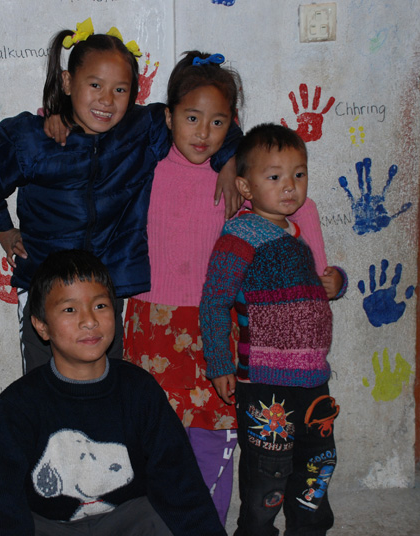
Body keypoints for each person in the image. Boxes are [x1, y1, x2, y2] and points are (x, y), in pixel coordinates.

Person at [0, 19, 240, 374]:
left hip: (109, 287)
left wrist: (229, 160)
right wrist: (1, 228)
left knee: (108, 386)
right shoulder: (34, 139)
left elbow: (204, 116)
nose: (106, 101)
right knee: (44, 385)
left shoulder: (142, 130)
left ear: (134, 94)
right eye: (95, 85)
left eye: (120, 90)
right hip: (46, 287)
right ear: (67, 82)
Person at [0, 249, 226, 536]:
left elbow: (180, 484)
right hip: (50, 526)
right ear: (42, 326)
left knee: (157, 515)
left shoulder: (139, 390)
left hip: (127, 522)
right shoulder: (19, 404)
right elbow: (0, 503)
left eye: (101, 306)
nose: (89, 321)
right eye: (70, 309)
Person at [200, 124, 344, 536]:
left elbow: (314, 289)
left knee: (317, 461)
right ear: (245, 186)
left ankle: (309, 527)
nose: (290, 187)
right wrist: (219, 363)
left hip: (314, 380)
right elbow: (214, 301)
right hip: (265, 385)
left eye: (299, 175)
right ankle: (256, 531)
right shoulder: (240, 235)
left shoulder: (296, 234)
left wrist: (336, 283)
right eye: (275, 176)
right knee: (269, 470)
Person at [122, 50, 244, 526]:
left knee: (213, 437)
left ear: (230, 125)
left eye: (217, 123)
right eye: (192, 118)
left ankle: (207, 524)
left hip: (214, 328)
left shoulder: (236, 179)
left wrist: (232, 161)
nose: (203, 133)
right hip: (150, 322)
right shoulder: (145, 168)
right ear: (169, 116)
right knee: (153, 437)